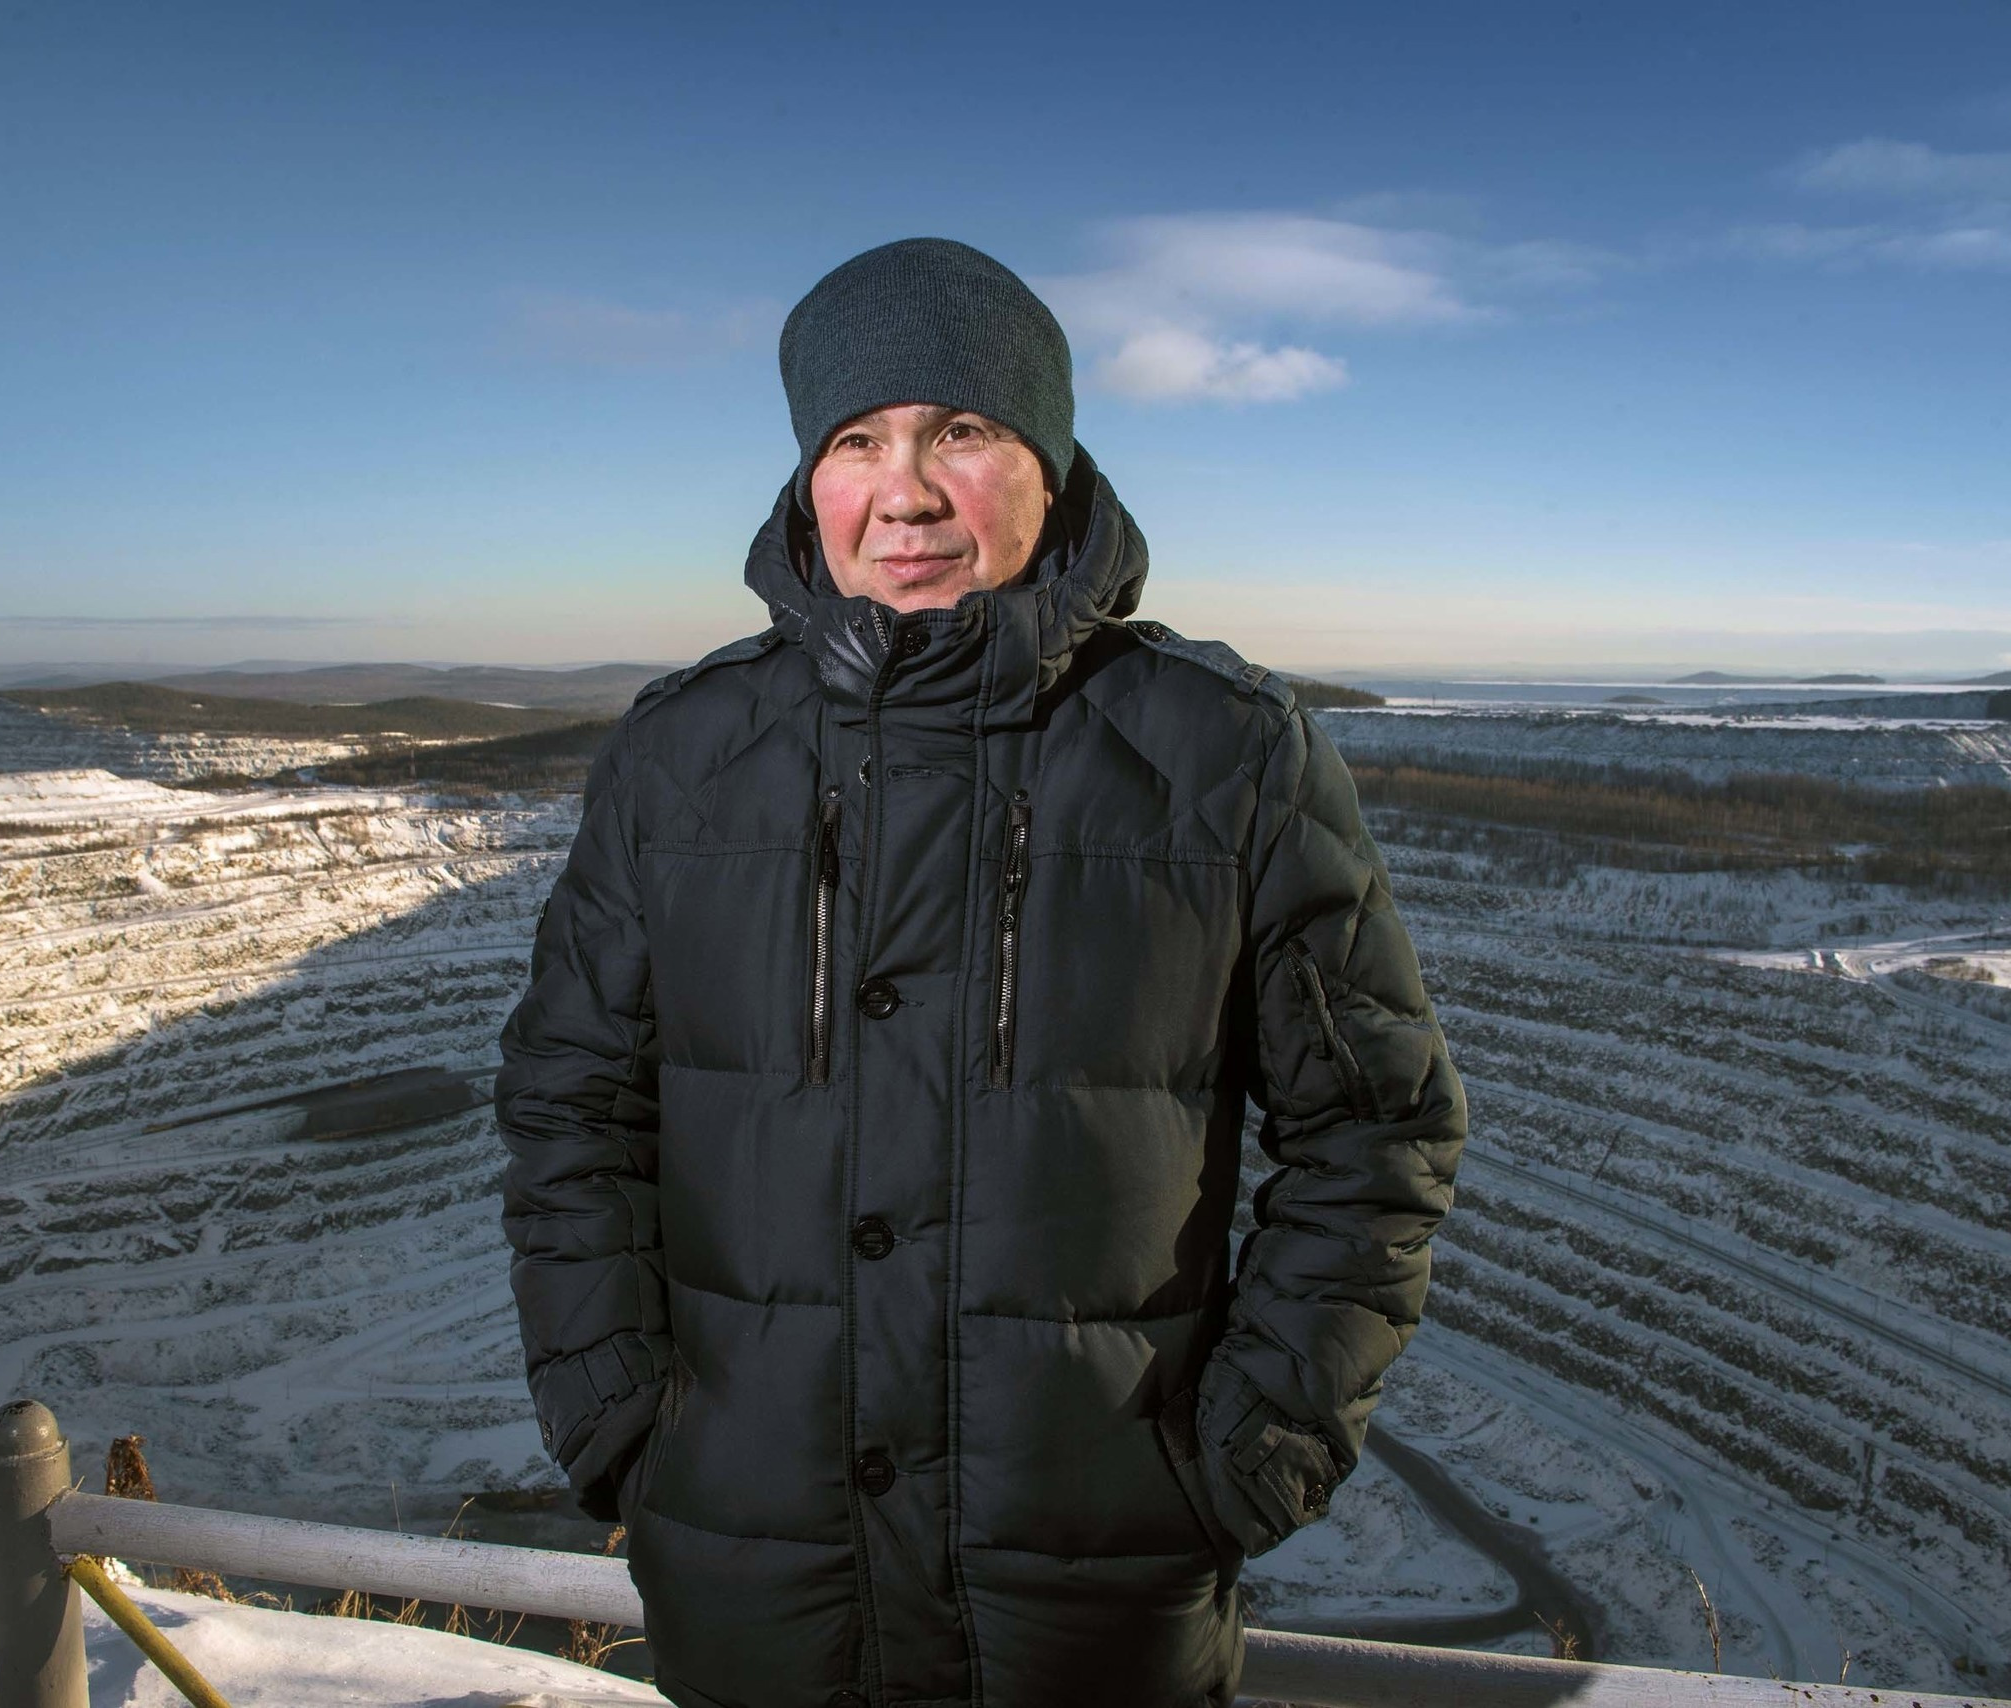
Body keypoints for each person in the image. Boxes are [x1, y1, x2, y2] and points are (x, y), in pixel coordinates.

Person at [497, 237, 1466, 1708]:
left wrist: (1245, 1457)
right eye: (856, 441)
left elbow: (1378, 1129)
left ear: (1049, 468)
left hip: (1096, 1595)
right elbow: (570, 1107)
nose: (906, 492)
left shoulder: (1225, 756)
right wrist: (626, 1424)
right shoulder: (682, 757)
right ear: (807, 482)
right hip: (753, 1578)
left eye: (960, 429)